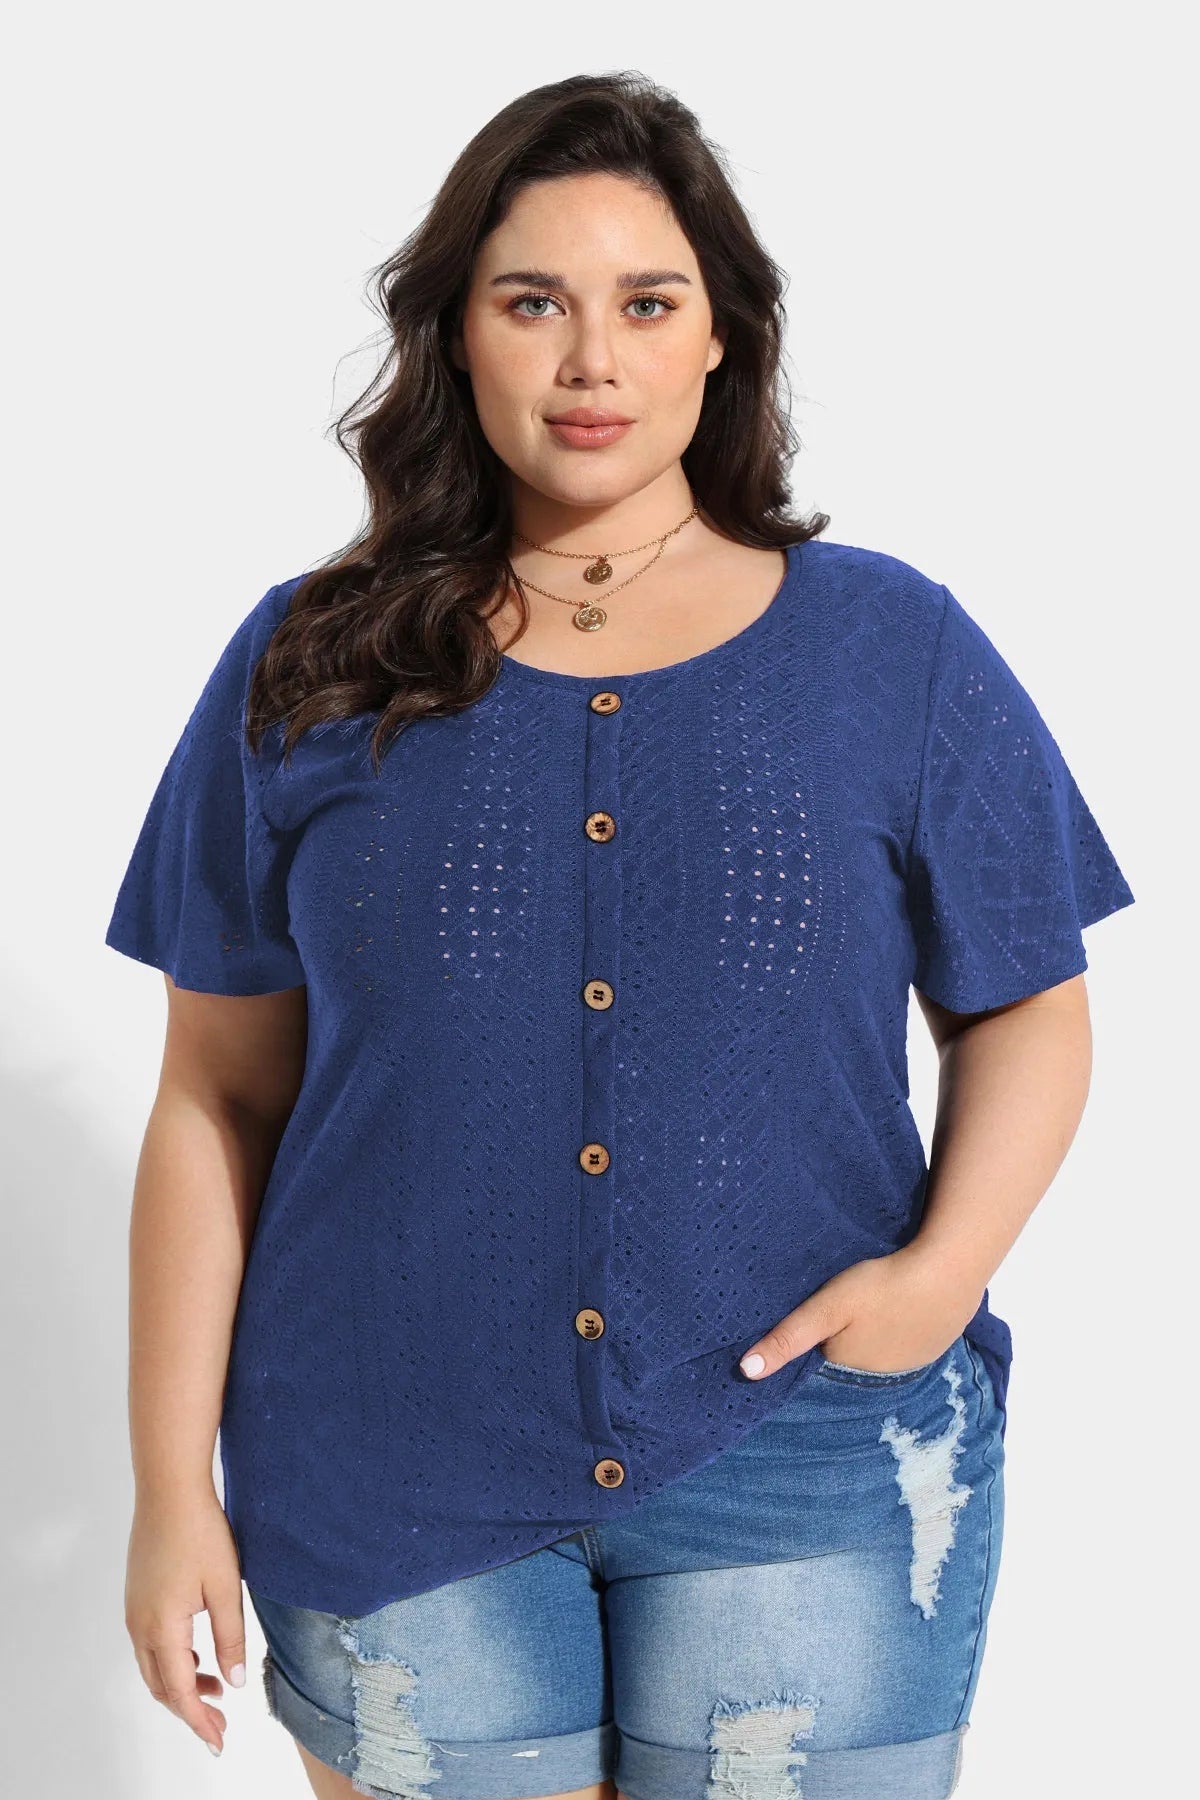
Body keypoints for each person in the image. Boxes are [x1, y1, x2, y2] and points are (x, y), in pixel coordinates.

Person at [105, 72, 1134, 1800]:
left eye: (647, 304)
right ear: (457, 334)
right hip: (387, 1463)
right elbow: (217, 1094)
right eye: (534, 303)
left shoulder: (891, 649)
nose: (592, 360)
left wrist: (943, 1274)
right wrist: (165, 1489)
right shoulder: (311, 664)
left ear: (722, 336)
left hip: (805, 1453)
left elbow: (1028, 1000)